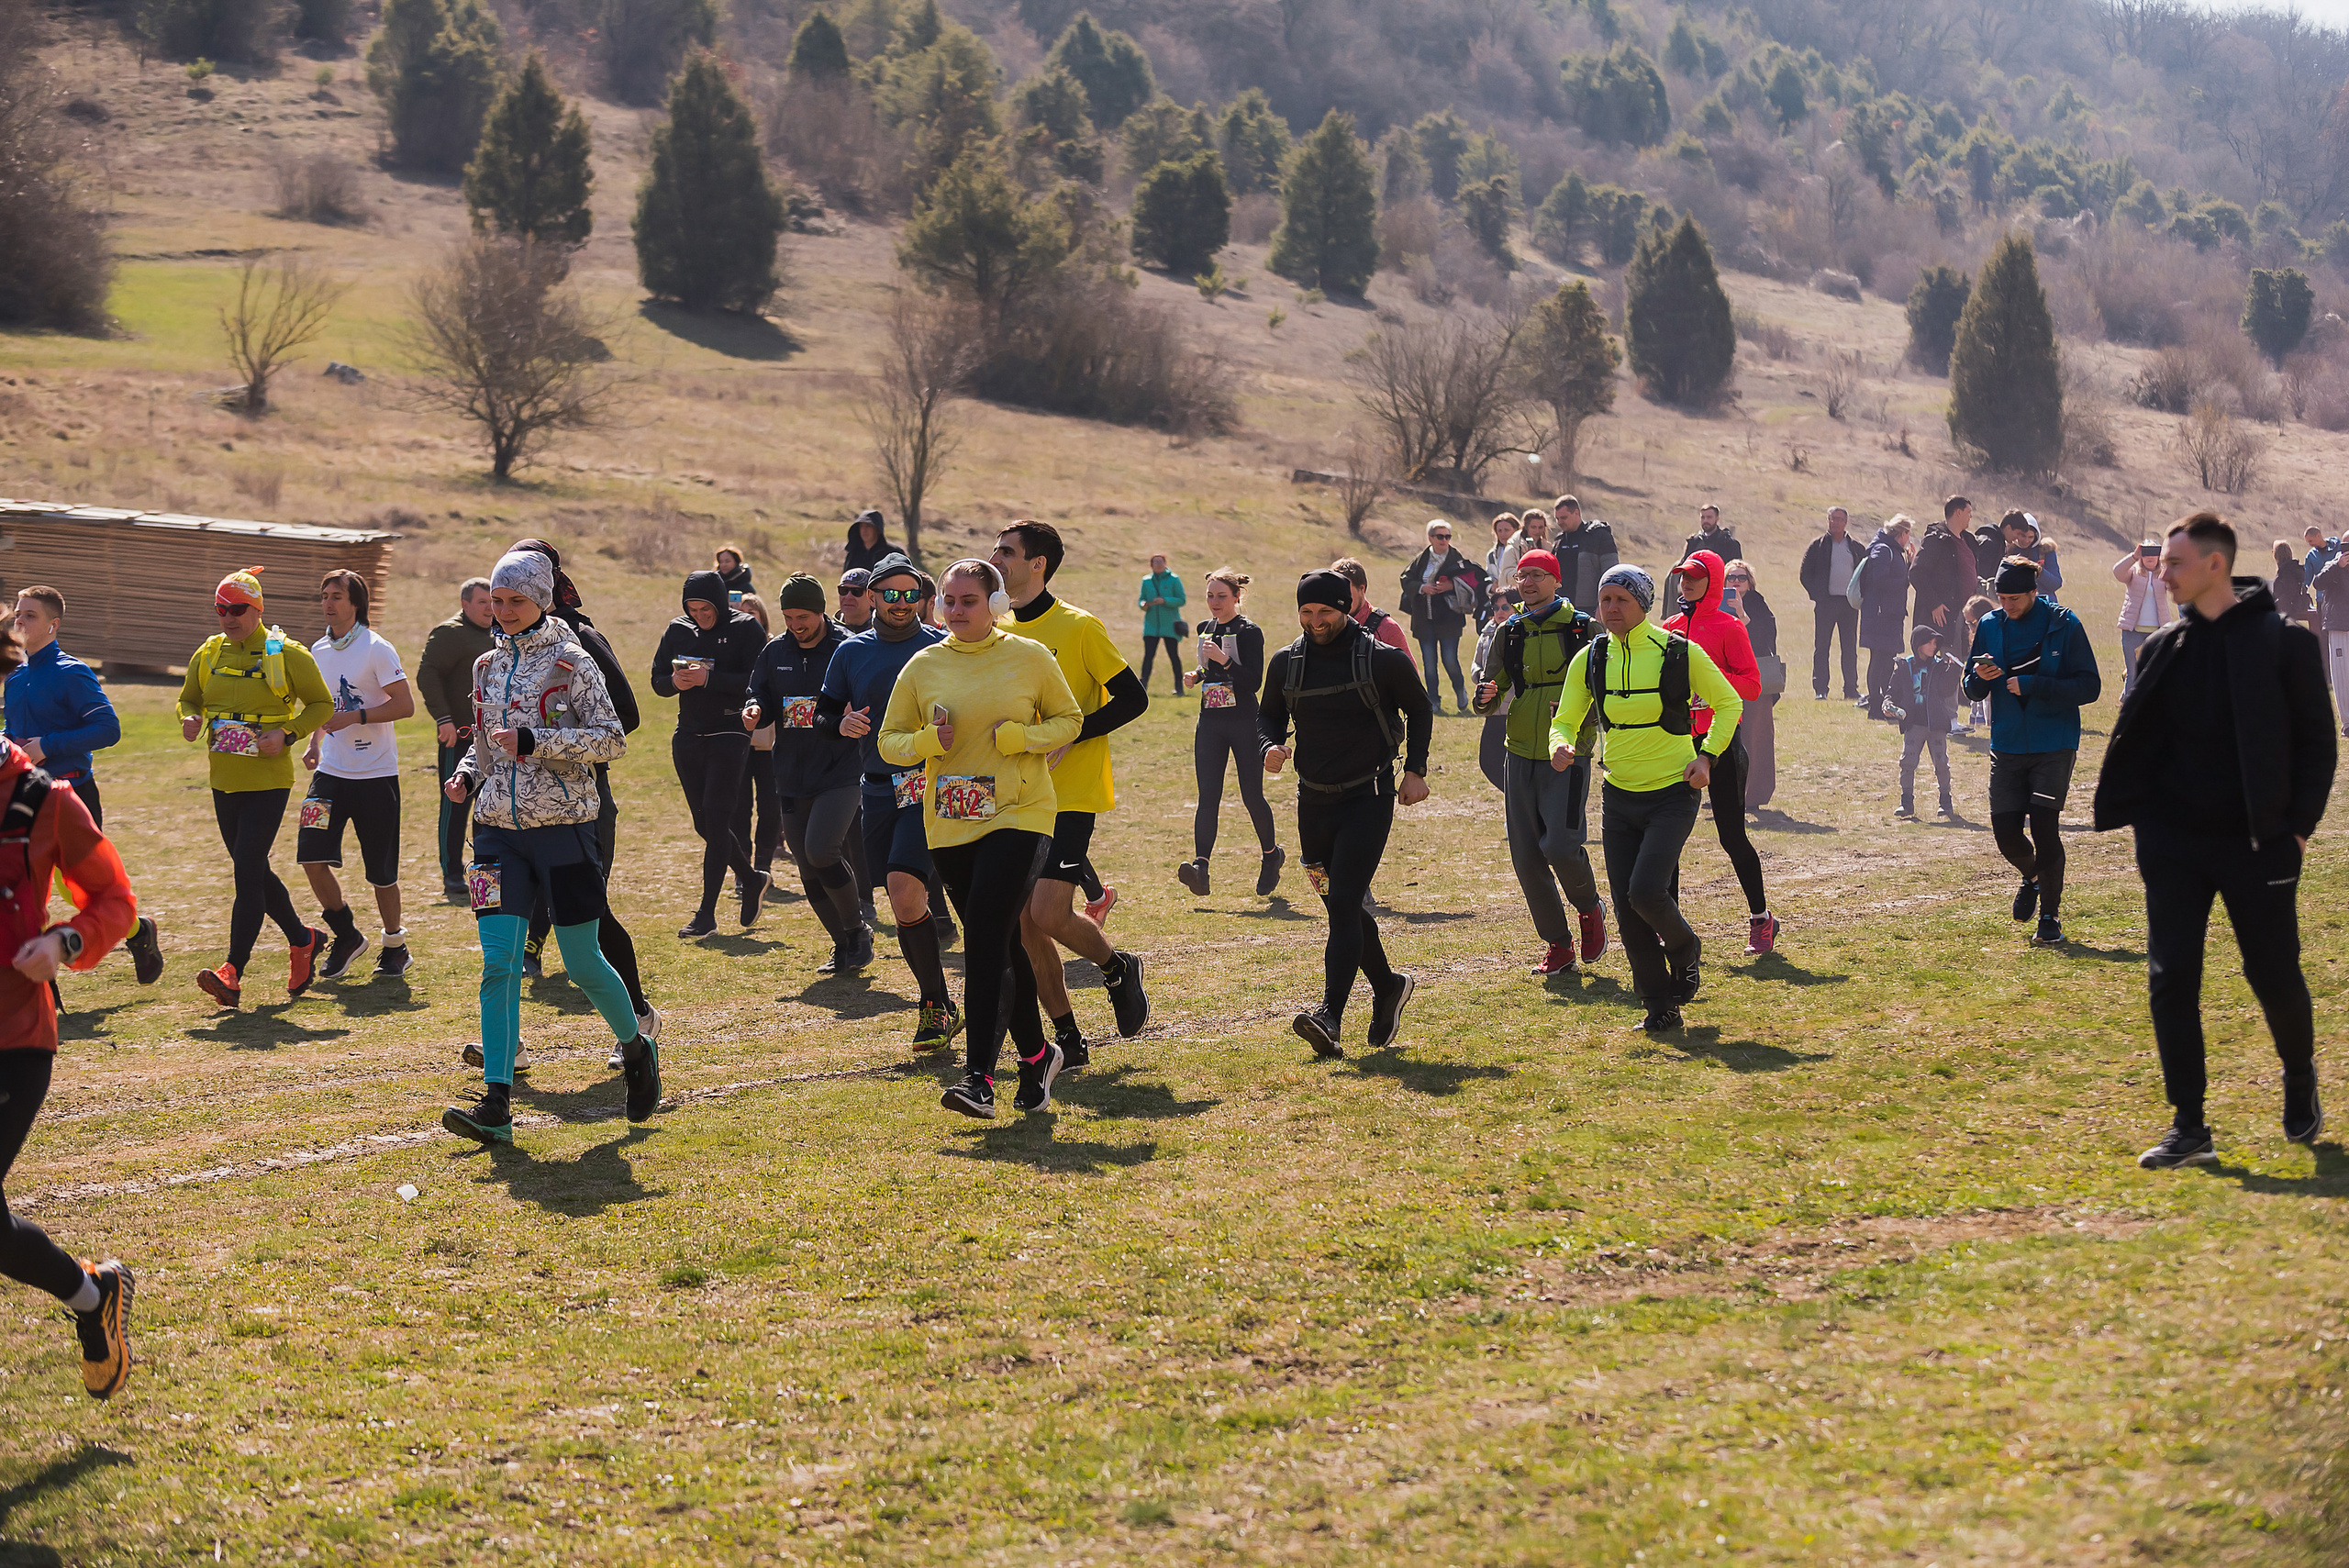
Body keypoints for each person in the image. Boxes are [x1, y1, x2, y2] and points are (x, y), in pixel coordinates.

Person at [2094, 512, 2333, 1168]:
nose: (2163, 574)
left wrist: (2298, 830)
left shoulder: (2283, 643)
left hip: (2259, 843)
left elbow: (2318, 743)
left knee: (2273, 973)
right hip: (2173, 846)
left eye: (2175, 564)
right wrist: (2147, 828)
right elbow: (2140, 740)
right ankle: (2190, 1126)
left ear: (2215, 565)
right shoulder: (2163, 648)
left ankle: (2299, 1075)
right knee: (2172, 978)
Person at [442, 551, 659, 1145]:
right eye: (497, 600)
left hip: (565, 828)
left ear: (541, 599)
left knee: (583, 961)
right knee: (499, 963)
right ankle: (496, 1103)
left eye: (516, 600)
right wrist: (467, 773)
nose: (505, 611)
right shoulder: (486, 665)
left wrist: (535, 741)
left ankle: (636, 1047)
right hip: (494, 833)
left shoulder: (573, 661)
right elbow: (487, 745)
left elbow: (611, 740)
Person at [879, 559, 1083, 1118]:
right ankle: (1038, 1055)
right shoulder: (923, 665)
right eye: (948, 600)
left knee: (986, 939)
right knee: (1001, 941)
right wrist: (926, 741)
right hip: (950, 820)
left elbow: (1069, 721)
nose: (955, 610)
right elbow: (888, 741)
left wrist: (1023, 738)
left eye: (968, 600)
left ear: (995, 605)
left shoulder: (1029, 656)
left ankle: (978, 1079)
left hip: (1021, 814)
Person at [0, 718, 139, 1401]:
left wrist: (64, 942)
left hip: (13, 1038)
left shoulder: (44, 799)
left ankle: (92, 1294)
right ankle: (93, 1294)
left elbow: (115, 901)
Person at [1550, 564, 1745, 1034]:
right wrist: (1561, 743)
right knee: (1626, 906)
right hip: (1618, 795)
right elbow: (1566, 717)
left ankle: (1684, 947)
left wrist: (1707, 757)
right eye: (1605, 599)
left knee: (1646, 892)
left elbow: (1729, 703)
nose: (1611, 608)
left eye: (1622, 599)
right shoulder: (1591, 657)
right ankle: (1660, 1004)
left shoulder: (1678, 651)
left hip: (1673, 793)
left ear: (1642, 603)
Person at [992, 523, 1152, 1065]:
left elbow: (1134, 699)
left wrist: (1072, 733)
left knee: (1048, 913)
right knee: (1024, 924)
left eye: (1007, 551)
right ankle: (1069, 1038)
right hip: (1014, 793)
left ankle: (1117, 967)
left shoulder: (1079, 626)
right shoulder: (996, 628)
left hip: (1071, 793)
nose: (996, 559)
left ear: (1037, 564)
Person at [1260, 570, 1433, 1057]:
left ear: (1345, 608)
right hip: (1312, 803)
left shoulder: (1382, 658)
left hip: (1368, 798)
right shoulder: (1287, 662)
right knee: (1342, 905)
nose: (1315, 621)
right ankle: (1388, 985)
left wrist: (1415, 771)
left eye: (1325, 612)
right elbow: (1268, 714)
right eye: (1306, 612)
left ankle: (1330, 1017)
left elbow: (1420, 709)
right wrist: (1269, 745)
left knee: (1343, 903)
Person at [504, 539, 658, 1060]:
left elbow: (625, 717)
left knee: (591, 916)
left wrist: (549, 741)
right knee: (506, 921)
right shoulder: (502, 647)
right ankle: (507, 1044)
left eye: (520, 590)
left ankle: (638, 1018)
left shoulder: (580, 639)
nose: (507, 605)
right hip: (511, 806)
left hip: (579, 802)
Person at [818, 553, 961, 1049]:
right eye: (891, 595)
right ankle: (941, 1002)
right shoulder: (851, 652)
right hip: (877, 787)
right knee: (902, 902)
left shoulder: (942, 646)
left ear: (921, 598)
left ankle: (936, 1006)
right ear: (872, 597)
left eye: (910, 595)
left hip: (935, 783)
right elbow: (824, 714)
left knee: (905, 889)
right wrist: (840, 724)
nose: (901, 603)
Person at [178, 568, 334, 1008]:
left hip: (268, 781)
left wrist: (287, 734)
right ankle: (303, 939)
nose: (228, 617)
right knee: (254, 870)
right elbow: (189, 697)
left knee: (246, 871)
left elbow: (322, 704)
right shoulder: (209, 652)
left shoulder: (287, 654)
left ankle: (232, 971)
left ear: (258, 608)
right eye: (221, 610)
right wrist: (188, 717)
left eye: (237, 609)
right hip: (223, 779)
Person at [4, 586, 161, 983]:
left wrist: (47, 746)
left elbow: (108, 728)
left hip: (72, 796)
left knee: (79, 889)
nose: (19, 621)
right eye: (18, 614)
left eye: (30, 615)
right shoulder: (16, 675)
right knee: (26, 882)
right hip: (25, 799)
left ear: (53, 625)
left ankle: (138, 931)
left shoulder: (71, 672)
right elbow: (15, 731)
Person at [1473, 550, 1609, 976]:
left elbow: (1604, 691)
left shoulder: (1583, 628)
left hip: (1567, 752)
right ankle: (1558, 944)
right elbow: (1494, 686)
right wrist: (1485, 696)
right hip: (1518, 749)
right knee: (1527, 855)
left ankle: (1589, 908)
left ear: (1556, 580)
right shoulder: (1509, 630)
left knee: (1561, 847)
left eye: (1536, 575)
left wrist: (1579, 727)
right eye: (1521, 576)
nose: (1527, 583)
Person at [1964, 555, 2103, 947]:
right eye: (2002, 599)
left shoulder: (2064, 624)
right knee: (2006, 835)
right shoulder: (1989, 625)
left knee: (2044, 828)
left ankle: (2050, 918)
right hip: (2007, 743)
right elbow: (1970, 688)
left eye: (2015, 599)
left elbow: (2090, 687)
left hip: (2054, 742)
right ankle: (2034, 877)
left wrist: (2035, 685)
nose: (2007, 606)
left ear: (2034, 592)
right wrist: (1979, 677)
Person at [746, 574, 870, 973]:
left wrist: (852, 712)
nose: (795, 625)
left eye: (803, 617)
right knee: (806, 865)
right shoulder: (774, 651)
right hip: (791, 772)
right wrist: (755, 708)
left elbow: (869, 696)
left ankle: (858, 930)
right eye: (788, 617)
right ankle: (843, 943)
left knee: (821, 850)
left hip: (841, 769)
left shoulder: (846, 647)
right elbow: (760, 693)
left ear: (820, 612)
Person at [297, 570, 416, 982]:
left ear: (356, 603)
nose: (328, 603)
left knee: (381, 872)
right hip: (329, 773)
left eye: (336, 596)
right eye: (324, 595)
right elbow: (322, 704)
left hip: (376, 776)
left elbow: (405, 705)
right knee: (310, 855)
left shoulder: (377, 648)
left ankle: (395, 946)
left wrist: (356, 717)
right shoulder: (317, 650)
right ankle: (346, 935)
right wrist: (314, 742)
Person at [1664, 550, 1776, 953]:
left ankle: (1761, 919)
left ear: (1712, 581)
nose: (1686, 583)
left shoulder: (1730, 627)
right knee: (1667, 838)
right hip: (1678, 742)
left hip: (1722, 742)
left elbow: (1752, 686)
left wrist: (1709, 677)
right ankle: (1669, 927)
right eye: (1683, 576)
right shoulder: (1669, 628)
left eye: (1695, 577)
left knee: (1731, 835)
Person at [651, 569, 770, 939]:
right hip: (688, 735)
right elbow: (657, 681)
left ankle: (706, 914)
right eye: (693, 610)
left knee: (717, 820)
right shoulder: (677, 630)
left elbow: (757, 682)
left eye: (707, 610)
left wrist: (708, 679)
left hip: (730, 732)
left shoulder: (746, 628)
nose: (700, 617)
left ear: (719, 604)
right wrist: (675, 682)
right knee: (703, 824)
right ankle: (751, 878)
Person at [1180, 568, 1283, 895]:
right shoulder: (1205, 628)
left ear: (1236, 597)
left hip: (1243, 721)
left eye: (1221, 596)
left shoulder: (1249, 631)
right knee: (1208, 796)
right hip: (1210, 721)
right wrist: (1197, 674)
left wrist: (1224, 661)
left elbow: (1254, 682)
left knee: (1252, 795)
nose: (1214, 602)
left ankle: (1271, 856)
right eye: (1210, 596)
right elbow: (1207, 667)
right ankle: (1201, 868)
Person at [417, 578, 496, 903]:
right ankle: (452, 873)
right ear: (465, 604)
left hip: (495, 739)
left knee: (489, 806)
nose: (490, 609)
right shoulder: (449, 633)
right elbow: (427, 674)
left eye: (493, 602)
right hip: (460, 737)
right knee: (455, 803)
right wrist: (443, 719)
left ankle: (487, 873)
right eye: (482, 602)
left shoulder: (501, 634)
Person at [727, 595, 785, 878]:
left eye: (752, 612)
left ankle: (763, 866)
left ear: (762, 616)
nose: (746, 617)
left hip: (769, 741)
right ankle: (744, 873)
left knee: (770, 807)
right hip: (737, 739)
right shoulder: (730, 647)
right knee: (739, 808)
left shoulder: (775, 648)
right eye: (741, 612)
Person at [1399, 519, 1481, 714]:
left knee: (1450, 660)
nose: (1444, 540)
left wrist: (1451, 585)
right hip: (1424, 619)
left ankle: (1460, 691)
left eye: (1447, 536)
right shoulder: (1421, 558)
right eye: (1440, 536)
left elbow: (1471, 578)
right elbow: (1406, 578)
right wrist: (1422, 587)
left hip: (1449, 619)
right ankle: (1433, 701)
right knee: (1429, 665)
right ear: (1430, 538)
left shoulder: (1456, 558)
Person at [1885, 623, 1962, 818]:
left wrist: (1954, 671)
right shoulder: (1904, 666)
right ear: (1918, 644)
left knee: (1941, 764)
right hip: (1913, 724)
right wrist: (1888, 704)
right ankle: (1906, 802)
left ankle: (1945, 801)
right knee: (1907, 762)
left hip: (1936, 724)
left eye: (1935, 643)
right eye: (1930, 643)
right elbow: (1892, 691)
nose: (1933, 647)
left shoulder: (1940, 666)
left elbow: (1946, 691)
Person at [1722, 559, 1779, 808]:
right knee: (1724, 736)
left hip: (1754, 678)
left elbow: (1766, 636)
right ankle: (1724, 792)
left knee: (1755, 736)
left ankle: (1753, 794)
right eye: (1731, 577)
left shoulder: (1757, 603)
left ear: (1749, 582)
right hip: (1724, 676)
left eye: (1741, 577)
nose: (1736, 581)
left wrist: (1743, 615)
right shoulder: (1716, 603)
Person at [1798, 507, 1864, 701]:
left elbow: (1865, 574)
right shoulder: (1817, 546)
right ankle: (1821, 689)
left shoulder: (1855, 547)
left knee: (1849, 648)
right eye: (1833, 518)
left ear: (1846, 522)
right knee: (1822, 647)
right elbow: (1805, 574)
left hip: (1849, 605)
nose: (1836, 522)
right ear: (1828, 520)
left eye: (1840, 519)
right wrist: (1818, 596)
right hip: (1826, 604)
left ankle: (1851, 689)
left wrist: (1859, 597)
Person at [1854, 514, 1914, 720]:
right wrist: (1904, 578)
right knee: (1879, 660)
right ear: (1902, 533)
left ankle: (1885, 706)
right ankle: (1875, 707)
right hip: (1880, 615)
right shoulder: (1883, 550)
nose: (1909, 538)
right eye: (1908, 533)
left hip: (1889, 614)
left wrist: (1908, 565)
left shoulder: (1893, 551)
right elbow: (1878, 581)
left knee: (1887, 661)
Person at [1331, 558, 1416, 668]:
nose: (1341, 598)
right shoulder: (1328, 624)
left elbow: (1410, 674)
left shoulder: (1387, 629)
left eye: (1346, 591)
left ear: (1362, 588)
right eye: (1336, 591)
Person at [1910, 499, 1977, 640]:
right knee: (1946, 652)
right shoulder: (1936, 540)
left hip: (1965, 613)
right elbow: (1917, 573)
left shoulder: (1968, 540)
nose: (1971, 516)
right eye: (1968, 512)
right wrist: (1934, 603)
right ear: (1958, 513)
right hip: (1944, 617)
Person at [2112, 541, 2167, 699]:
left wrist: (2169, 561)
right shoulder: (2133, 574)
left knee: (2155, 670)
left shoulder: (2164, 575)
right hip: (2133, 630)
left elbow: (2179, 581)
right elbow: (2117, 572)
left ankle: (2147, 704)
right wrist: (2134, 556)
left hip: (2157, 631)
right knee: (2133, 671)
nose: (2150, 557)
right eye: (2146, 552)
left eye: (2154, 553)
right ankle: (2128, 705)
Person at [1550, 497, 1620, 614]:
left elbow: (1611, 575)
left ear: (1577, 513)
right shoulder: (1559, 541)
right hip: (1561, 609)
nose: (1560, 522)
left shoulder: (1599, 536)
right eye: (1557, 519)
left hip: (1590, 609)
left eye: (1564, 518)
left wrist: (1603, 606)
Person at [1136, 553, 1188, 697]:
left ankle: (1179, 688)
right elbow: (1141, 599)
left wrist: (1165, 601)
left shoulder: (1174, 579)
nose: (1158, 564)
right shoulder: (1146, 581)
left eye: (1161, 562)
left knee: (1173, 656)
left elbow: (1182, 600)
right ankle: (1142, 688)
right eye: (1155, 562)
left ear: (1165, 563)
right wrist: (1143, 605)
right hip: (1151, 626)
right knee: (1148, 657)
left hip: (1170, 625)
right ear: (1151, 565)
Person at [2313, 550, 2349, 735]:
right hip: (2338, 625)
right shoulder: (2332, 564)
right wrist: (2337, 566)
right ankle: (2348, 723)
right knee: (2341, 674)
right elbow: (2318, 583)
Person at [1999, 511, 2063, 598]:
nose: (2026, 541)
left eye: (2030, 537)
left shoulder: (2045, 551)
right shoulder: (2008, 551)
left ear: (2036, 536)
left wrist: (2038, 570)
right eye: (2023, 536)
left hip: (2044, 602)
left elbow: (2056, 583)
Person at [2272, 539, 2313, 628]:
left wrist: (2274, 605)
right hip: (2293, 610)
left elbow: (2289, 594)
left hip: (2289, 611)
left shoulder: (2287, 571)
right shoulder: (2291, 568)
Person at [843, 509, 896, 573]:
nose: (864, 530)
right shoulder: (853, 553)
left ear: (877, 529)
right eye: (861, 526)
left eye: (868, 526)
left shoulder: (893, 553)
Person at [836, 568, 874, 632]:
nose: (848, 597)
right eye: (844, 590)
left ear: (871, 597)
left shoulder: (882, 633)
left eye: (856, 591)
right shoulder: (826, 631)